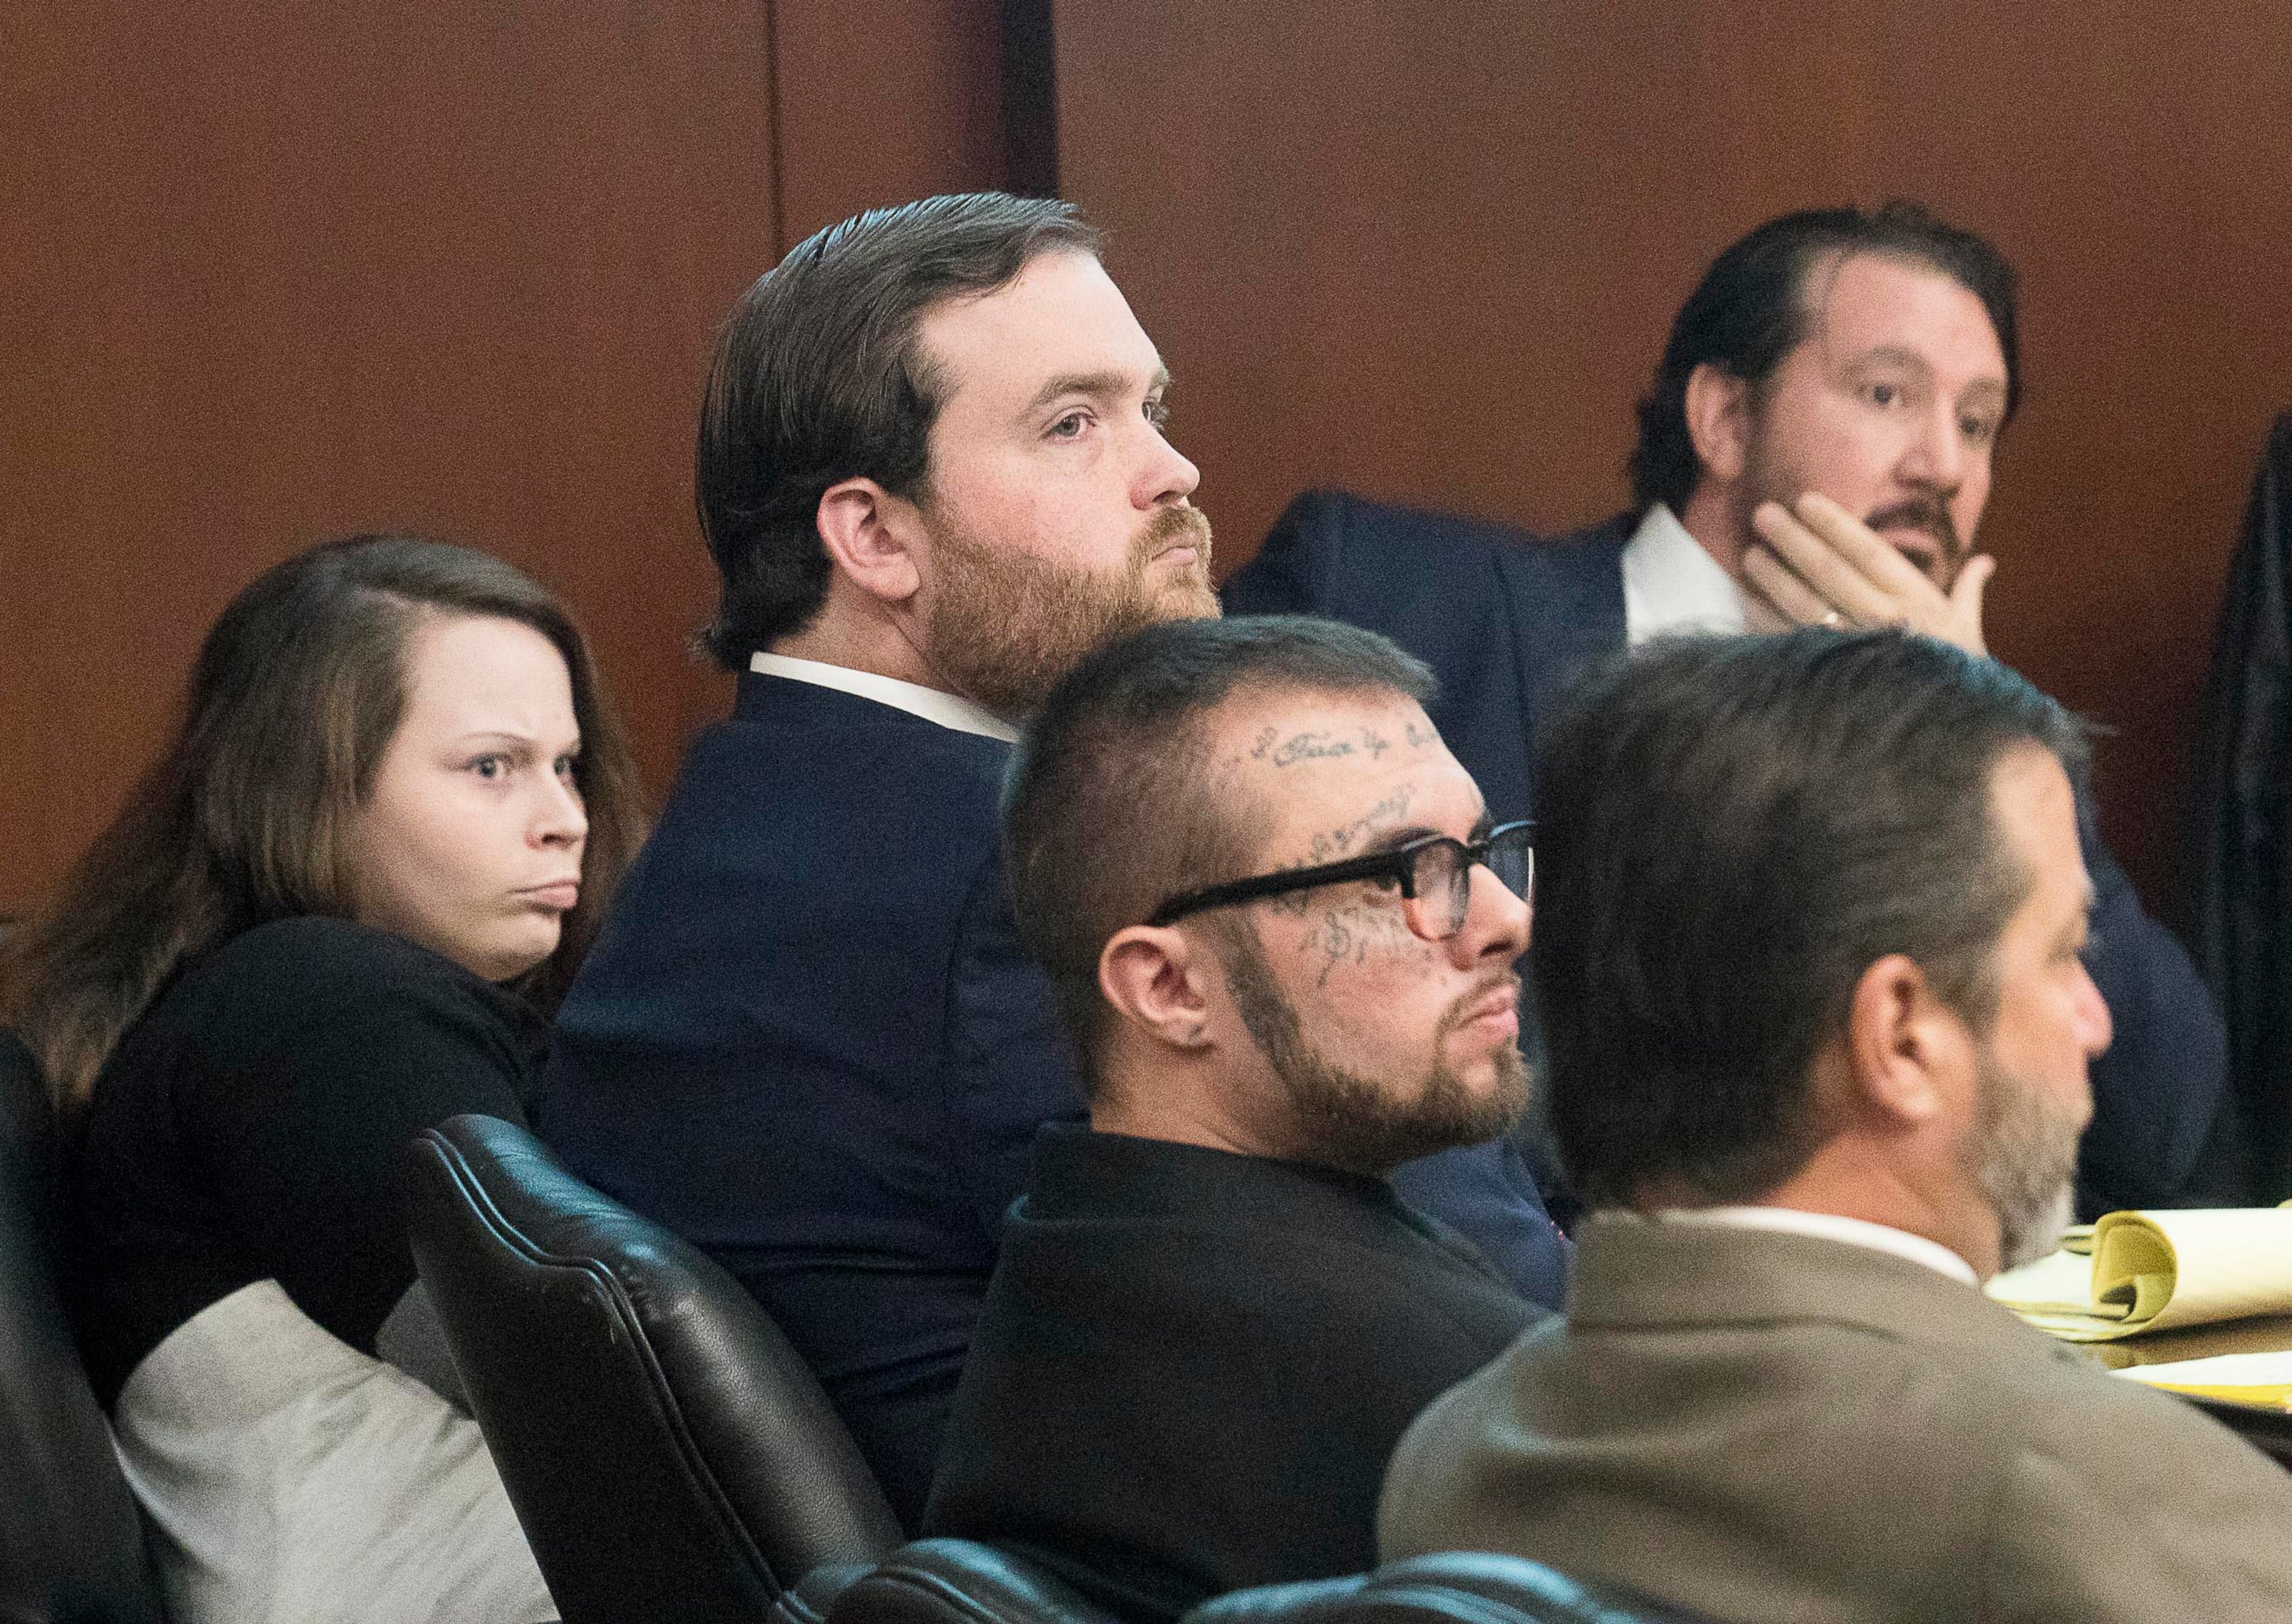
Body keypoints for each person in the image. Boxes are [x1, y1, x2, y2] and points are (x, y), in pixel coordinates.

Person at [540, 193, 1567, 1524]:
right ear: (876, 538)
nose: (1172, 472)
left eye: (1154, 408)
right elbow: (1506, 1334)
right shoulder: (1013, 886)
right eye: (1073, 424)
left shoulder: (751, 822)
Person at [1224, 201, 2225, 1215]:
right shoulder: (1397, 595)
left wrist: (1980, 741)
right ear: (1725, 421)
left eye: (1976, 422)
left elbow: (2167, 1137)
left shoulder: (1959, 754)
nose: (1945, 465)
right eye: (1886, 394)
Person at [1378, 629, 2292, 1624]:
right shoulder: (2125, 1501)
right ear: (1901, 1038)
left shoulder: (1448, 1459)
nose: (2096, 1020)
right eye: (2065, 953)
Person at [7, 536, 644, 1624]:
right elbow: (596, 1382)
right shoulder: (321, 1008)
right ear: (311, 787)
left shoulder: (262, 1000)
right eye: (492, 768)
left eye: (566, 766)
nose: (566, 819)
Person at [923, 617, 1545, 1621]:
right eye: (1404, 872)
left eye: (1478, 852)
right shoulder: (1455, 1391)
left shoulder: (1070, 1252)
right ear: (1169, 987)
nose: (1506, 920)